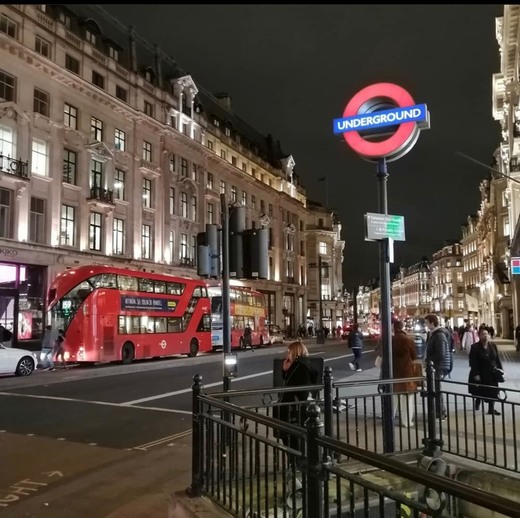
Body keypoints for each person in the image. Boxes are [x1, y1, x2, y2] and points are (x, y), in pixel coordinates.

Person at [276, 341, 318, 448]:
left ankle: (297, 462)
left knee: (292, 440)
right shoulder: (301, 365)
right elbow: (290, 381)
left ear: (295, 352)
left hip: (293, 409)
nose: (287, 355)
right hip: (295, 408)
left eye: (289, 352)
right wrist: (285, 370)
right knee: (294, 440)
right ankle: (296, 461)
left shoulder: (300, 367)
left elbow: (301, 388)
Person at [468, 327, 504, 415]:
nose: (485, 336)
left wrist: (501, 369)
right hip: (480, 373)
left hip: (491, 373)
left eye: (486, 334)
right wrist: (475, 374)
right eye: (483, 334)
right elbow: (473, 362)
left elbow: (497, 358)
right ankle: (478, 401)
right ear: (479, 336)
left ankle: (491, 409)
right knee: (480, 391)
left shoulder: (493, 346)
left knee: (493, 391)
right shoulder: (475, 347)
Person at [424, 314, 451, 420]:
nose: (425, 324)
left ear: (432, 323)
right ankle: (437, 412)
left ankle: (441, 413)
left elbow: (441, 353)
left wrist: (429, 360)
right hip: (435, 366)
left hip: (437, 366)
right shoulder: (433, 334)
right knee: (434, 389)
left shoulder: (439, 335)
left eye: (426, 322)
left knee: (437, 390)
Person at [392, 320, 418, 427]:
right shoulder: (408, 340)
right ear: (402, 328)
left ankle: (390, 417)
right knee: (407, 397)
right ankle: (406, 421)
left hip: (393, 371)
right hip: (407, 371)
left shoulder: (390, 340)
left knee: (393, 396)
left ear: (394, 329)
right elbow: (414, 356)